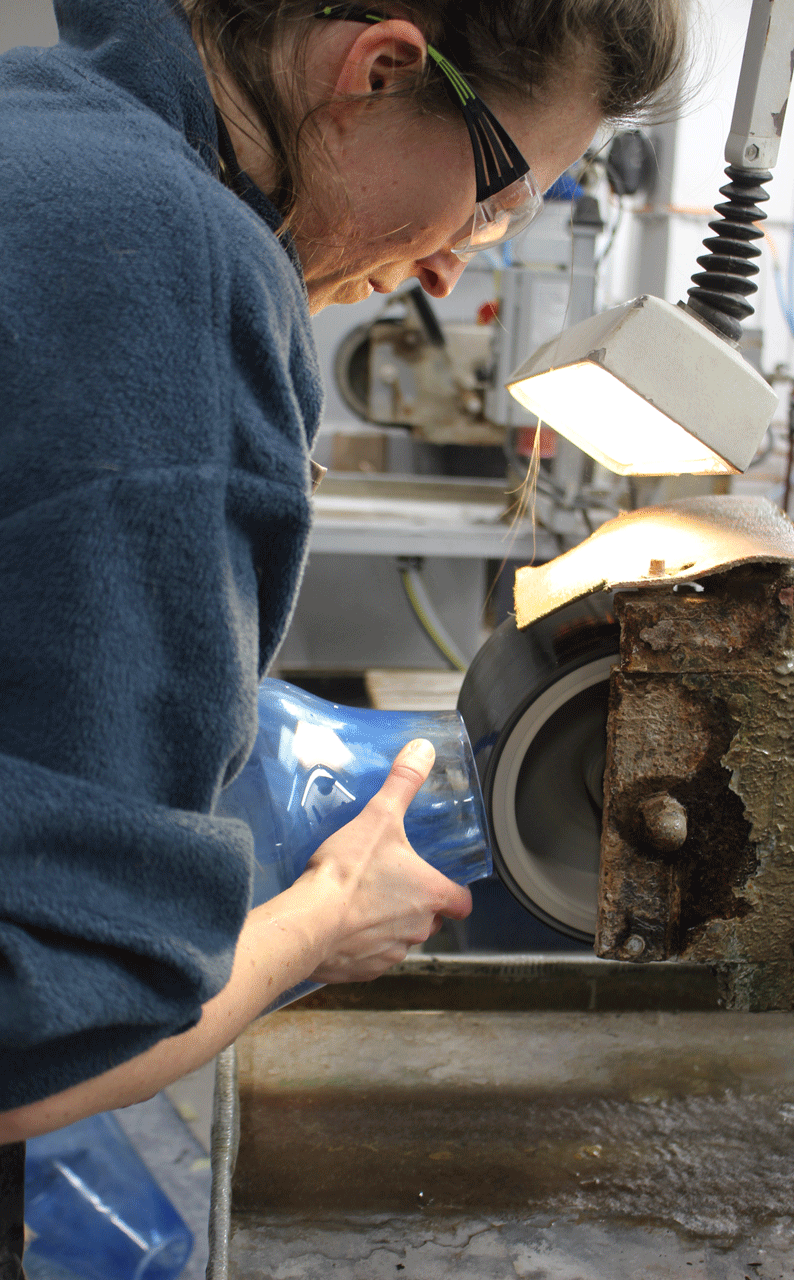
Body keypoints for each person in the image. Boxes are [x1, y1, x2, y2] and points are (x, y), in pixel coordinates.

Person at [0, 0, 686, 1141]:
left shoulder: (42, 123)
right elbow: (34, 1038)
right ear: (378, 70)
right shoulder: (170, 273)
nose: (441, 268)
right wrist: (324, 923)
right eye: (496, 203)